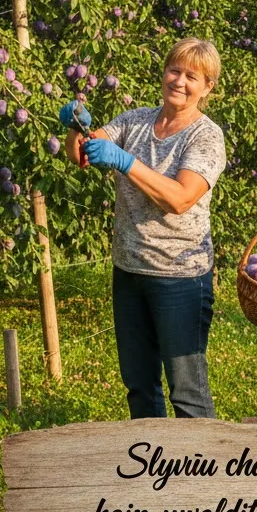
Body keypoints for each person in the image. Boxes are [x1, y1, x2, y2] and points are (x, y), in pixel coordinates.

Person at [59, 38, 227, 420]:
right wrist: (76, 128)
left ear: (208, 87)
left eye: (192, 76)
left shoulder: (205, 136)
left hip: (179, 276)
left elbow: (181, 198)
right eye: (175, 70)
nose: (180, 81)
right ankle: (154, 464)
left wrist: (125, 161)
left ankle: (200, 470)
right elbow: (80, 154)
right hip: (130, 269)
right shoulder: (135, 120)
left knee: (186, 391)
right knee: (139, 384)